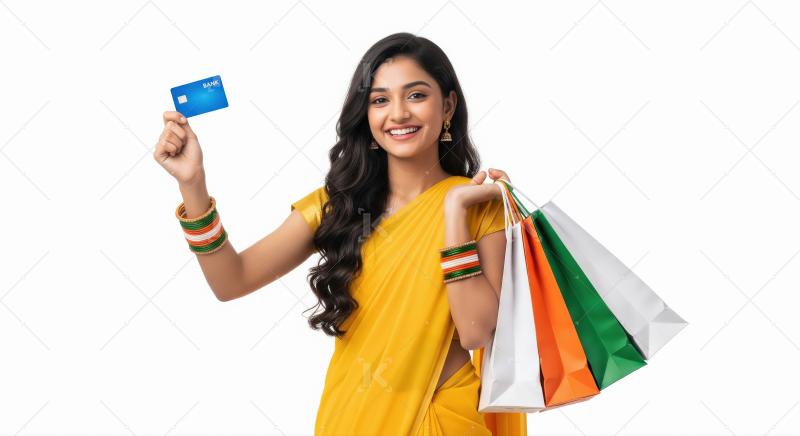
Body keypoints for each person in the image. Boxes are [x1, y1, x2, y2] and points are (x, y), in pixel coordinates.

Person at [153, 32, 527, 435]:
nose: (398, 113)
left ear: (448, 105)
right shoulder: (339, 205)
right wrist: (193, 184)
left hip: (441, 421)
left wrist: (453, 211)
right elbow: (231, 280)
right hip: (350, 418)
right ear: (365, 114)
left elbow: (477, 332)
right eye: (380, 100)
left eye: (416, 95)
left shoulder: (478, 204)